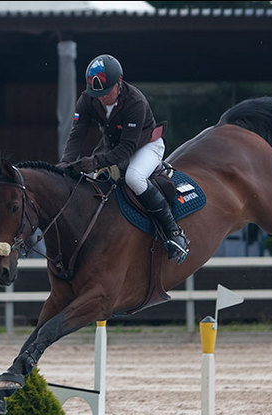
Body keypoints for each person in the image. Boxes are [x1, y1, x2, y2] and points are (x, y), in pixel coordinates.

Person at [56, 54, 188, 262]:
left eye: (106, 93)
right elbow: (77, 134)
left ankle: (174, 233)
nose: (101, 98)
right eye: (96, 93)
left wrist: (94, 162)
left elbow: (127, 149)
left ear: (119, 83)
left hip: (145, 145)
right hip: (112, 146)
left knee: (134, 178)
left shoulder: (135, 101)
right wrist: (65, 163)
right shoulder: (88, 98)